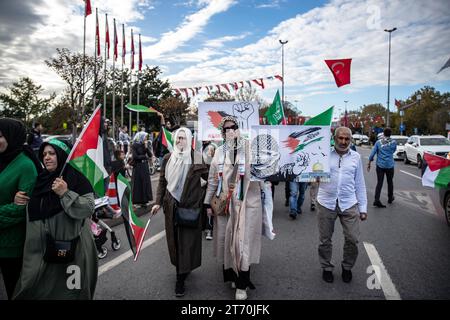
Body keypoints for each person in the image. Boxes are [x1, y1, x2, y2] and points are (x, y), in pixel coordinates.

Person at [12, 138, 98, 299]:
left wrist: (66, 193)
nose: (46, 157)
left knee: (70, 293)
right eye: (44, 154)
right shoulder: (40, 180)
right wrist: (20, 200)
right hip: (39, 251)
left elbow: (88, 208)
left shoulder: (77, 179)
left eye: (52, 153)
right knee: (32, 288)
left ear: (62, 155)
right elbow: (42, 207)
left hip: (71, 251)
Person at [204, 116, 265, 300]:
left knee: (243, 242)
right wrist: (208, 202)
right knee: (227, 240)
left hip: (248, 203)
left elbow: (264, 174)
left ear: (239, 129)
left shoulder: (251, 149)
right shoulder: (219, 152)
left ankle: (242, 284)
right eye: (226, 128)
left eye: (234, 127)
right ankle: (232, 275)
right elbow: (213, 180)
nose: (230, 130)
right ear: (222, 133)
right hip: (226, 205)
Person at [151, 128, 209, 297]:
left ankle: (180, 280)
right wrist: (157, 202)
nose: (179, 141)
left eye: (183, 138)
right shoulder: (169, 158)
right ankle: (181, 271)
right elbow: (162, 182)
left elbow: (208, 178)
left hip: (190, 206)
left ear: (189, 140)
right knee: (175, 241)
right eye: (177, 138)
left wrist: (201, 198)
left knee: (187, 241)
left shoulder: (197, 157)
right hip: (171, 205)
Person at [316, 127, 367, 284]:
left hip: (349, 203)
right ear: (334, 138)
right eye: (341, 138)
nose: (344, 142)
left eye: (347, 139)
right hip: (326, 202)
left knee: (352, 239)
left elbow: (360, 183)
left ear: (350, 140)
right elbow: (313, 175)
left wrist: (363, 208)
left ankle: (347, 267)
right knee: (325, 239)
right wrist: (314, 177)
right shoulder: (323, 154)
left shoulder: (356, 157)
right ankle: (326, 268)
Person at [0, 118, 40, 300]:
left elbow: (21, 210)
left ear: (11, 137)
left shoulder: (25, 166)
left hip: (12, 247)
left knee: (14, 293)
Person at [367, 127, 397, 208]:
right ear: (390, 134)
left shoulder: (378, 142)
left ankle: (377, 200)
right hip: (390, 165)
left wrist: (369, 162)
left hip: (380, 165)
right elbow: (394, 151)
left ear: (383, 133)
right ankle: (390, 198)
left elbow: (372, 153)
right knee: (390, 182)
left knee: (379, 182)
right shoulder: (394, 142)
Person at [131, 130, 153, 208]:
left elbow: (150, 155)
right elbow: (135, 156)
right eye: (144, 137)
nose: (145, 139)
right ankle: (137, 200)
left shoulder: (145, 145)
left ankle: (144, 200)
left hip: (144, 166)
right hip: (138, 166)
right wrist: (144, 157)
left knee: (145, 182)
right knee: (138, 183)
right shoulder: (134, 145)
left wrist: (146, 148)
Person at [202, 141, 217, 241]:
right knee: (203, 203)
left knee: (209, 204)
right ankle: (203, 225)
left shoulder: (214, 146)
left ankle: (209, 227)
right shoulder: (198, 146)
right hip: (201, 179)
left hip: (211, 178)